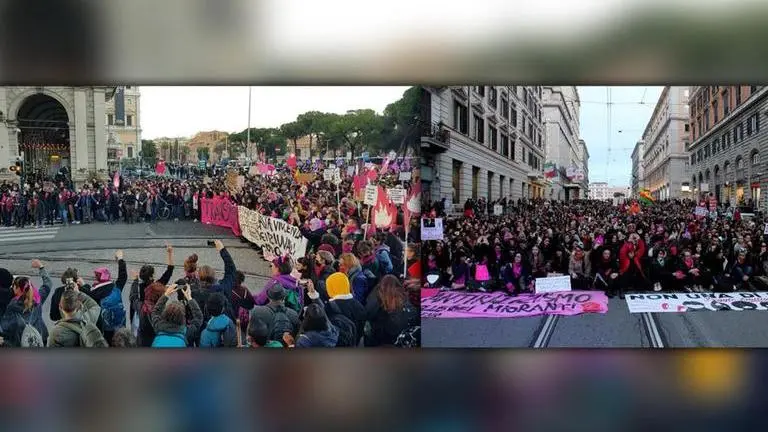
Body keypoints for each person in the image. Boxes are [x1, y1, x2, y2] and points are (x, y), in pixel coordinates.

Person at [0, 259, 52, 347]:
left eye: (14, 286)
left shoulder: (11, 305)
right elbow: (48, 283)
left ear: (17, 289)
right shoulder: (38, 298)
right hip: (40, 336)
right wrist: (41, 267)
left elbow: (5, 327)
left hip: (20, 341)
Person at [85, 250, 128, 345]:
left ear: (97, 279)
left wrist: (82, 285)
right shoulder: (116, 287)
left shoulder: (93, 292)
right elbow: (123, 276)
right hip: (120, 324)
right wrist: (120, 258)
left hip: (105, 328)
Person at [364, 275, 418, 347]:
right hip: (399, 341)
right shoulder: (405, 298)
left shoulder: (378, 296)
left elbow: (368, 312)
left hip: (381, 342)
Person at [151, 283, 203, 348]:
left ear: (165, 313)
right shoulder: (186, 331)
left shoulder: (158, 326)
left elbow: (155, 311)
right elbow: (199, 317)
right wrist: (189, 298)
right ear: (182, 317)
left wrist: (166, 294)